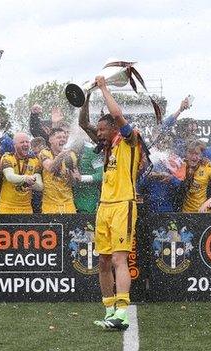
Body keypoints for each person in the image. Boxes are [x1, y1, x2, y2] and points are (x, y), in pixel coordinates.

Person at [79, 76, 143, 331]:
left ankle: (123, 313)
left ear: (114, 129)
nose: (99, 133)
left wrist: (104, 88)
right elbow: (82, 122)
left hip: (123, 205)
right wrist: (86, 97)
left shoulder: (130, 141)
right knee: (103, 261)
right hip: (103, 207)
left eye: (103, 130)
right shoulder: (105, 147)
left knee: (119, 259)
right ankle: (109, 311)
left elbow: (117, 114)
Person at [0, 132, 43, 214]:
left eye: (27, 142)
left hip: (27, 208)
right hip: (7, 207)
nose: (25, 144)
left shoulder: (35, 161)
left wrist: (32, 183)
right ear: (14, 145)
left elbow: (40, 186)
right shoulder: (7, 157)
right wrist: (25, 178)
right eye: (22, 142)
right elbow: (9, 177)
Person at [39, 128, 79, 214]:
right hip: (50, 205)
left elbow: (75, 181)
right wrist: (61, 155)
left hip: (68, 204)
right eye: (59, 137)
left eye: (64, 137)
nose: (63, 139)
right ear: (50, 140)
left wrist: (74, 176)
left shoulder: (71, 155)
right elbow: (50, 168)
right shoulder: (44, 153)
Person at [180, 140, 211, 213]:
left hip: (203, 213)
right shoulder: (181, 165)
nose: (194, 157)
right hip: (185, 213)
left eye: (197, 154)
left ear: (201, 154)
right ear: (186, 153)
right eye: (191, 153)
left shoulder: (208, 167)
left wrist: (207, 203)